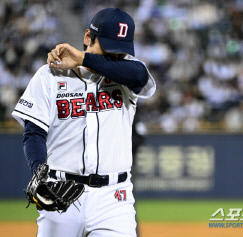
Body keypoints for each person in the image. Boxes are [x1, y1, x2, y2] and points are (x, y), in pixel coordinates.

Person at [12, 8, 155, 237]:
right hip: (61, 193)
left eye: (120, 52)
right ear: (88, 37)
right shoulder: (49, 75)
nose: (114, 57)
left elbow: (140, 75)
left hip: (114, 199)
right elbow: (34, 133)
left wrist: (82, 58)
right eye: (108, 49)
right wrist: (38, 170)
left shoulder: (127, 76)